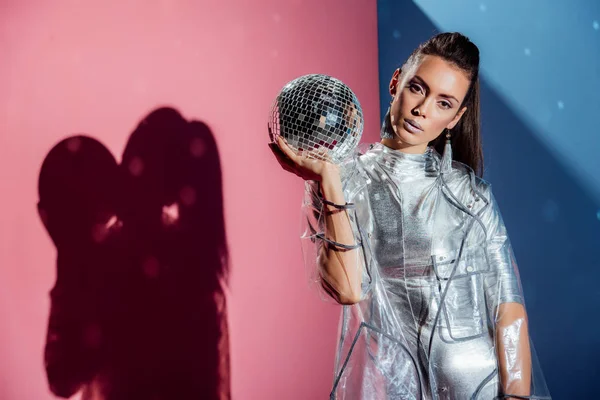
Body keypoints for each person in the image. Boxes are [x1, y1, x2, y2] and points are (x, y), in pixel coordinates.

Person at [269, 32, 551, 400]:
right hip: (392, 385)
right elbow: (349, 289)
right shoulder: (342, 180)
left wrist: (515, 397)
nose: (422, 109)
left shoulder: (469, 194)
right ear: (395, 82)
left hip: (477, 385)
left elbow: (507, 307)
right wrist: (329, 180)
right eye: (418, 88)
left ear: (455, 118)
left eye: (443, 103)